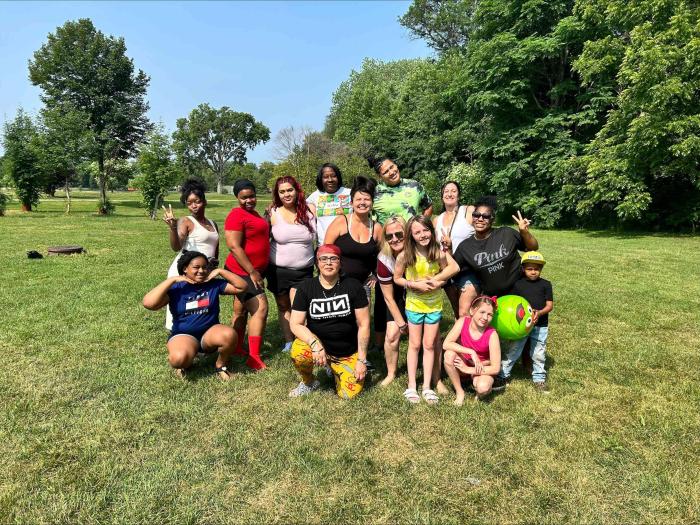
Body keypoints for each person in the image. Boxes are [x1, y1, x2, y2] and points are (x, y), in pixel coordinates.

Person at [142, 250, 247, 381]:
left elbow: (242, 287)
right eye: (196, 267)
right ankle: (187, 359)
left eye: (204, 267)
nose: (201, 271)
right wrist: (172, 280)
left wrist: (220, 271)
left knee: (229, 334)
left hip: (209, 333)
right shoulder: (177, 289)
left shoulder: (213, 284)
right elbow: (148, 303)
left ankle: (221, 366)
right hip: (184, 334)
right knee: (178, 360)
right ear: (185, 269)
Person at [288, 244, 370, 399]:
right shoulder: (306, 288)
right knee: (299, 351)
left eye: (334, 258)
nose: (328, 263)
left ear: (340, 262)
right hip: (318, 346)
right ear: (317, 263)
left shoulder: (354, 286)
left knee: (348, 395)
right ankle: (308, 382)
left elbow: (364, 324)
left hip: (346, 352)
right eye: (323, 259)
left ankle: (334, 368)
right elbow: (295, 323)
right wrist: (314, 344)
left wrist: (362, 360)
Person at [393, 215, 459, 404]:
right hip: (414, 305)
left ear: (431, 230)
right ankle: (412, 385)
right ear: (410, 235)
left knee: (429, 345)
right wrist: (413, 284)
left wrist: (436, 282)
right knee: (414, 344)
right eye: (417, 232)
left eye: (425, 230)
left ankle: (427, 387)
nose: (422, 235)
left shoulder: (438, 253)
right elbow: (397, 278)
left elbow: (446, 275)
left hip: (434, 306)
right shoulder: (405, 255)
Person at [452, 196, 539, 297]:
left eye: (486, 216)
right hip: (493, 298)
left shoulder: (506, 233)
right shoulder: (465, 247)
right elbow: (452, 268)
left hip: (520, 290)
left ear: (492, 219)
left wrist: (524, 232)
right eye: (476, 215)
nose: (480, 219)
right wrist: (448, 248)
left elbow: (533, 247)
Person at [162, 179, 219, 330]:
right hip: (186, 269)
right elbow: (176, 246)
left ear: (205, 202)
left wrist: (213, 264)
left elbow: (214, 247)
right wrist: (173, 228)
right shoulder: (186, 221)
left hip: (203, 270)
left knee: (201, 305)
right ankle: (177, 335)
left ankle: (200, 339)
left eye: (197, 201)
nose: (193, 205)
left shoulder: (213, 224)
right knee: (184, 305)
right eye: (189, 203)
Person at [224, 179, 269, 371]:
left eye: (251, 196)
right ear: (237, 198)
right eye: (244, 197)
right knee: (260, 308)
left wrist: (266, 216)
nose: (248, 200)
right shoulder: (236, 215)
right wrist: (252, 271)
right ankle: (254, 356)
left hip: (251, 270)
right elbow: (234, 246)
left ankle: (235, 347)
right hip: (241, 271)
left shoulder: (254, 213)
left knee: (240, 309)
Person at [267, 176, 316, 353]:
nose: (286, 194)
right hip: (278, 270)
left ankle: (304, 340)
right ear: (277, 194)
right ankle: (289, 341)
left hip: (303, 270)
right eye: (282, 191)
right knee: (283, 306)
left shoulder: (310, 210)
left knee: (300, 307)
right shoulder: (273, 212)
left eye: (290, 190)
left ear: (296, 191)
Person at [499, 251, 554, 392]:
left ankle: (539, 379)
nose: (533, 272)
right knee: (514, 351)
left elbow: (549, 305)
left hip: (540, 326)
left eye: (537, 269)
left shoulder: (546, 284)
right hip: (522, 327)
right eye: (530, 269)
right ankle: (503, 375)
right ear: (523, 269)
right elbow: (513, 304)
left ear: (541, 269)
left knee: (538, 353)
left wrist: (539, 312)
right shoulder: (518, 285)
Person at [324, 176, 382, 299]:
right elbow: (325, 251)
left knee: (363, 318)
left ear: (372, 203)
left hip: (363, 283)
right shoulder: (341, 222)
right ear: (351, 202)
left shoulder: (376, 228)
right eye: (358, 199)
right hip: (338, 282)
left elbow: (384, 255)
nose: (362, 202)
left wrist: (376, 274)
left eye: (367, 199)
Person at [442, 296, 502, 404]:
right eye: (482, 312)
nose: (485, 317)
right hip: (465, 361)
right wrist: (471, 352)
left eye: (489, 314)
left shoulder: (492, 334)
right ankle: (460, 392)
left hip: (482, 367)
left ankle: (480, 390)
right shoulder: (463, 322)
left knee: (483, 387)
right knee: (449, 355)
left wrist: (469, 370)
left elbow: (496, 368)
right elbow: (446, 344)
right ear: (472, 310)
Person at [433, 181, 478, 318]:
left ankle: (474, 338)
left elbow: (482, 233)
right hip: (447, 270)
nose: (449, 194)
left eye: (453, 191)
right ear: (442, 196)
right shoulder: (436, 220)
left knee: (466, 311)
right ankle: (461, 338)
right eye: (446, 191)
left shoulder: (468, 211)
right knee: (457, 309)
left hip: (467, 268)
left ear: (459, 195)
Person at [375, 215, 408, 386]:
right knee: (392, 335)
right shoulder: (384, 259)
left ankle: (433, 371)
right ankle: (391, 372)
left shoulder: (418, 251)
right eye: (389, 236)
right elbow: (388, 297)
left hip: (420, 298)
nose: (394, 239)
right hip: (396, 298)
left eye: (399, 234)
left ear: (407, 233)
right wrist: (402, 323)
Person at [369, 156, 433, 225]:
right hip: (390, 235)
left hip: (412, 235)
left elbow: (428, 206)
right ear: (380, 176)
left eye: (391, 167)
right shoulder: (374, 193)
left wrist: (421, 224)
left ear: (396, 165)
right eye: (386, 172)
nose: (391, 172)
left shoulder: (414, 185)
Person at [306, 163, 352, 244]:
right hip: (325, 247)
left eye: (333, 176)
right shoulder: (314, 197)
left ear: (338, 177)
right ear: (321, 179)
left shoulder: (350, 193)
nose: (330, 180)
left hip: (347, 245)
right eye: (326, 177)